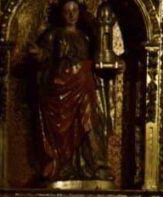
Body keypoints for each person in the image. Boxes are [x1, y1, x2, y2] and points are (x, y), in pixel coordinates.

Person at [28, 0, 111, 182]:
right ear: (61, 13)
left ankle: (94, 165)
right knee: (62, 129)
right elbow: (44, 56)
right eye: (67, 11)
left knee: (88, 122)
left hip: (83, 85)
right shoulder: (54, 34)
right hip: (61, 87)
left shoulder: (85, 37)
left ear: (80, 13)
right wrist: (37, 53)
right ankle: (64, 165)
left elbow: (100, 57)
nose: (71, 15)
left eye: (74, 10)